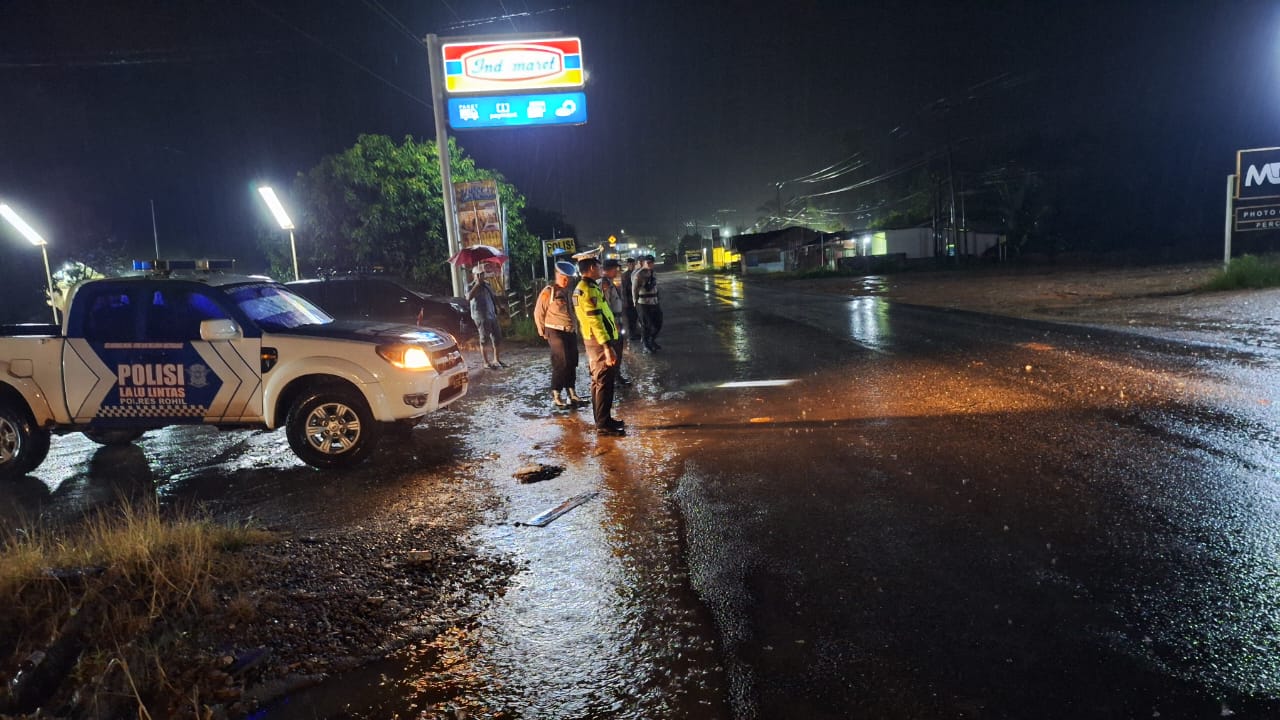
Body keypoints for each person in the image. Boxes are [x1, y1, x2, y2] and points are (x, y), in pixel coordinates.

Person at [573, 257, 625, 436]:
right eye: (599, 265)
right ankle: (603, 425)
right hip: (598, 341)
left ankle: (603, 419)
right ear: (591, 267)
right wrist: (607, 347)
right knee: (604, 382)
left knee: (597, 381)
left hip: (591, 340)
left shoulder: (582, 288)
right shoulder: (589, 290)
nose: (601, 268)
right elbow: (595, 321)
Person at [533, 261, 585, 408]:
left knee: (572, 361)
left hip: (570, 331)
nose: (566, 280)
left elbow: (575, 311)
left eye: (568, 278)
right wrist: (542, 330)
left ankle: (572, 393)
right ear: (557, 275)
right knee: (561, 362)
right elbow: (538, 312)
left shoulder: (570, 292)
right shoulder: (548, 292)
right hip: (555, 330)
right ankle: (556, 394)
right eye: (563, 277)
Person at [467, 264, 504, 369]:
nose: (480, 276)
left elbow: (494, 296)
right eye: (478, 275)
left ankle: (496, 359)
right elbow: (468, 297)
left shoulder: (487, 285)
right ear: (474, 275)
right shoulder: (470, 286)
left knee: (497, 337)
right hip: (480, 316)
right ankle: (486, 362)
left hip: (491, 314)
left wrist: (500, 307)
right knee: (484, 339)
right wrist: (477, 285)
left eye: (482, 274)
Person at [600, 258, 631, 385]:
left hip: (616, 320)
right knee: (615, 349)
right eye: (615, 269)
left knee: (619, 349)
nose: (617, 271)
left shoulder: (610, 282)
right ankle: (613, 377)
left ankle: (616, 375)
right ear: (610, 269)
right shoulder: (604, 284)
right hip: (612, 323)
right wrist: (614, 323)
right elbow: (605, 306)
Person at [632, 254, 663, 352]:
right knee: (646, 325)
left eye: (651, 262)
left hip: (654, 302)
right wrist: (635, 301)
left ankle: (651, 340)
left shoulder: (653, 273)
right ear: (644, 263)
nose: (650, 264)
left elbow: (656, 288)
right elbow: (634, 289)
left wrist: (658, 298)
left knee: (658, 323)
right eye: (648, 262)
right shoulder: (639, 274)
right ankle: (646, 344)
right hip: (643, 303)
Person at [620, 256, 639, 338]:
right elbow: (623, 289)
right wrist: (625, 301)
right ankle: (632, 334)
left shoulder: (637, 273)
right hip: (629, 299)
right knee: (631, 318)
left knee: (637, 316)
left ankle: (636, 332)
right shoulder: (625, 275)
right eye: (629, 263)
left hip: (637, 298)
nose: (631, 265)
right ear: (627, 264)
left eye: (632, 263)